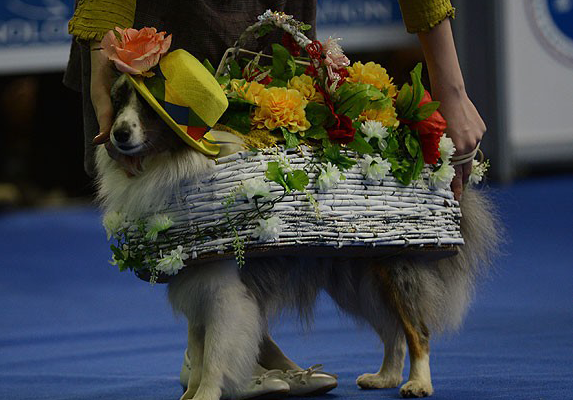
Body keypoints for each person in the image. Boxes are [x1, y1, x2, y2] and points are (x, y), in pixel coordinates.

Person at [65, 0, 486, 397]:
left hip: (270, 19)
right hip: (180, 24)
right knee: (213, 218)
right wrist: (105, 83)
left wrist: (451, 88)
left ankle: (238, 345)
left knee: (258, 205)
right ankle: (220, 348)